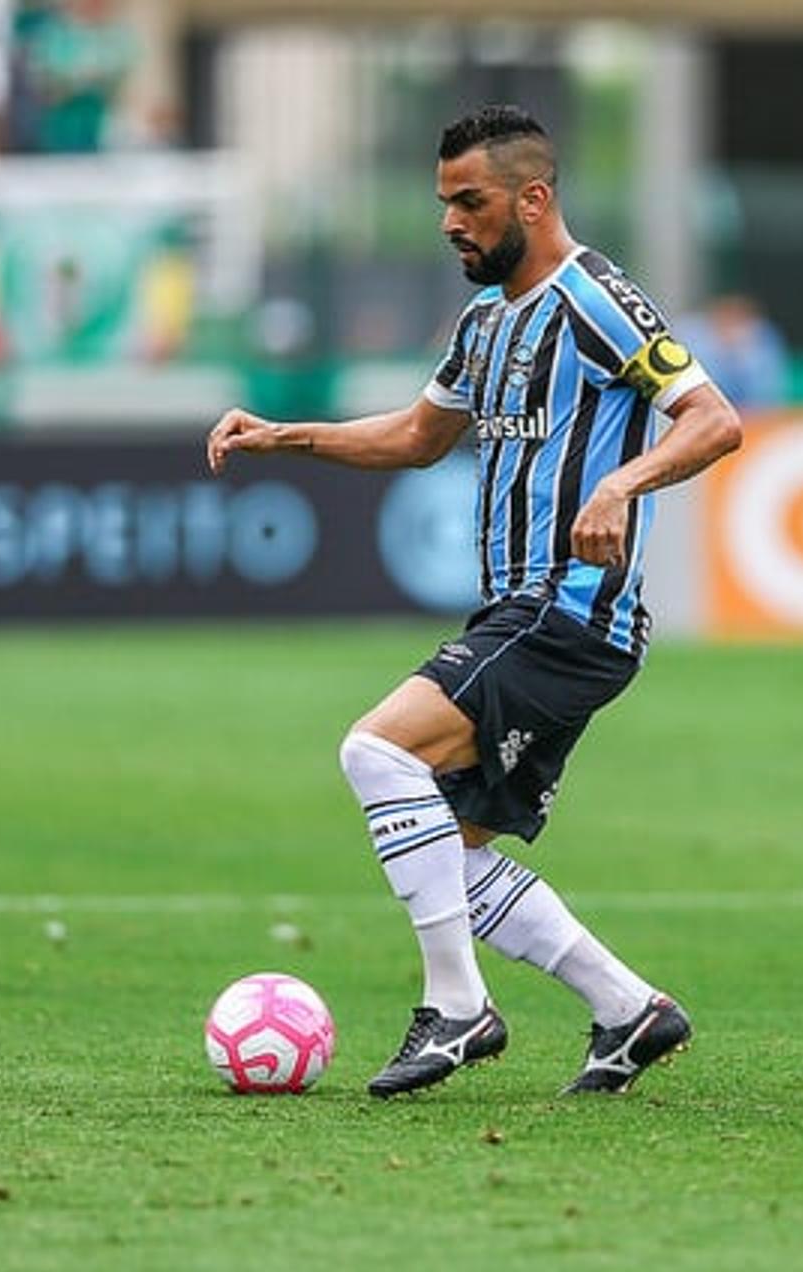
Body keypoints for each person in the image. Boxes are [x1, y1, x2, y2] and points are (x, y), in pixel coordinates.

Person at [205, 105, 741, 1100]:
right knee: (447, 851)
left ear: (533, 199)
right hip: (525, 615)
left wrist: (622, 485)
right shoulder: (488, 320)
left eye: (470, 201)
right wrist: (287, 436)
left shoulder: (599, 299)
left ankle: (458, 1008)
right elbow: (417, 436)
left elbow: (713, 421)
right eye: (444, 201)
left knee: (375, 751)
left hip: (568, 610)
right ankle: (630, 1010)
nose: (450, 221)